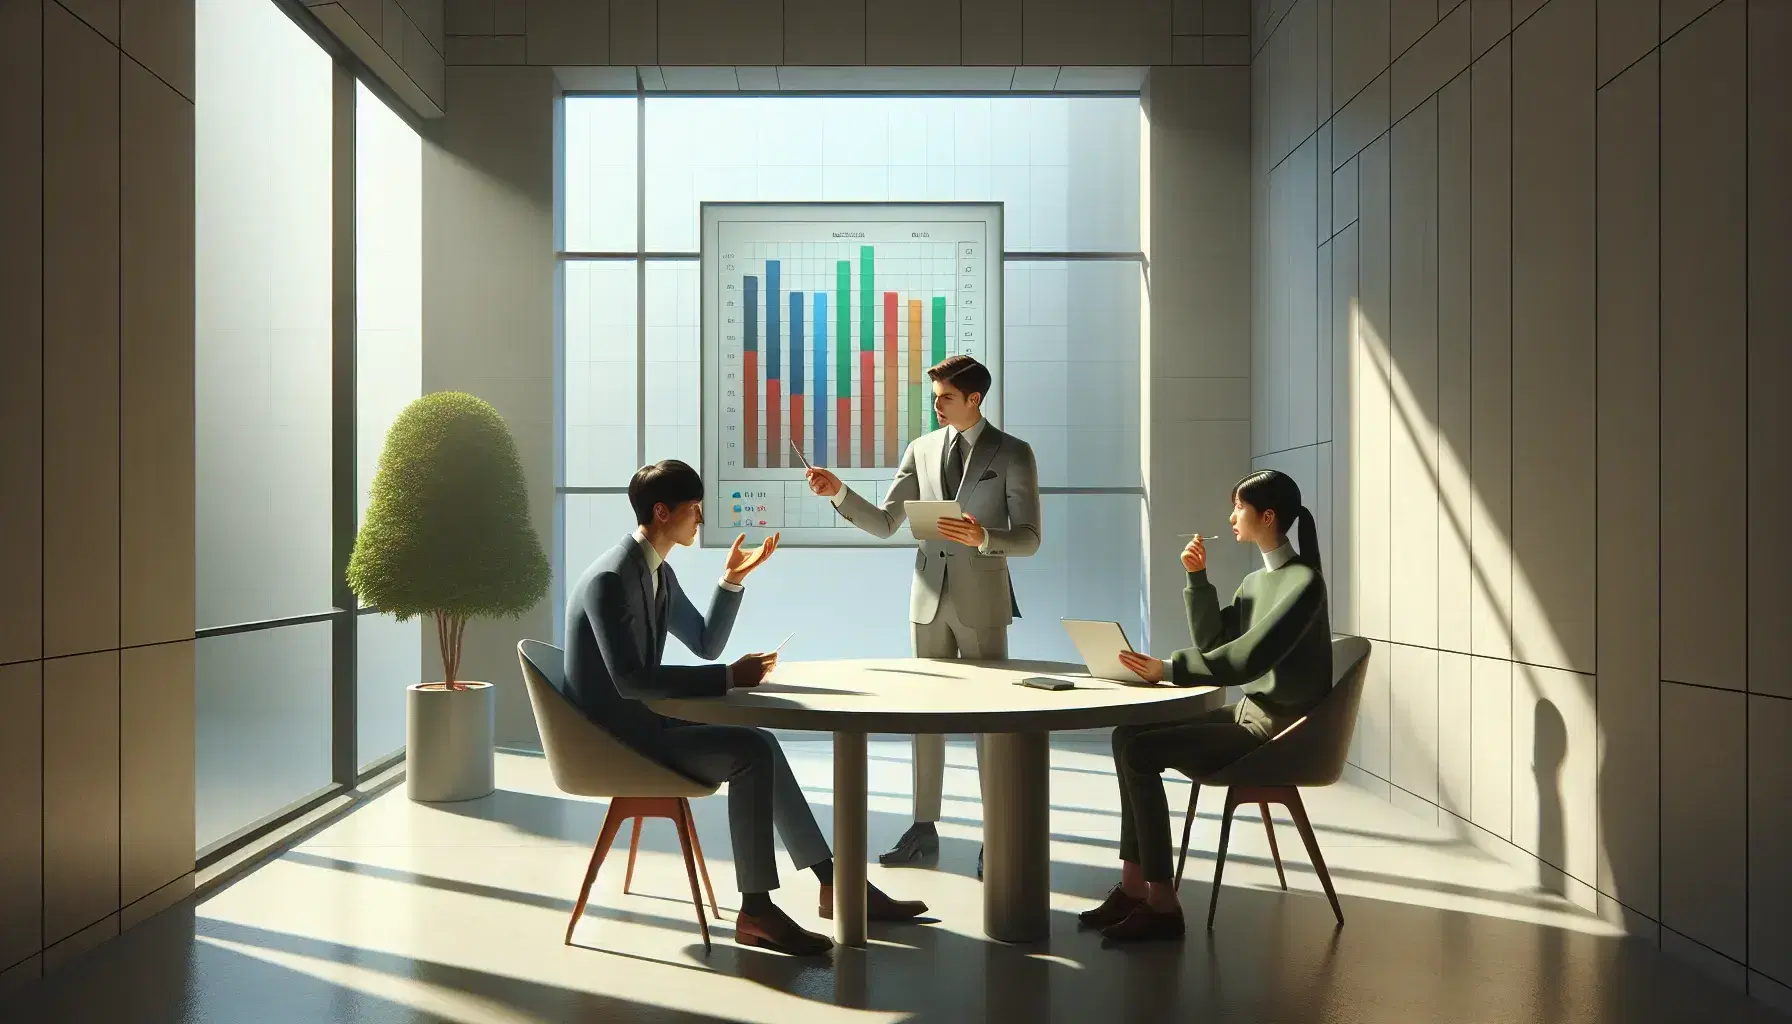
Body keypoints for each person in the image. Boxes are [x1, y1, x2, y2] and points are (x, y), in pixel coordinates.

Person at [563, 459, 927, 957]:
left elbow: (706, 643)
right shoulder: (612, 578)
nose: (702, 519)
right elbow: (629, 681)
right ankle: (760, 910)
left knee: (758, 742)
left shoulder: (655, 572)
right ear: (663, 511)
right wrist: (731, 678)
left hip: (641, 723)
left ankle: (832, 884)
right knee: (751, 750)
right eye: (695, 510)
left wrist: (732, 580)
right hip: (615, 741)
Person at [804, 355, 1041, 873]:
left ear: (974, 399)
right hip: (928, 599)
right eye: (934, 396)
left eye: (944, 397)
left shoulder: (1014, 453)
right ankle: (923, 828)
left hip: (983, 602)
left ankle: (995, 830)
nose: (935, 405)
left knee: (991, 723)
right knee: (924, 721)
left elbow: (1029, 538)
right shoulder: (922, 449)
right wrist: (839, 492)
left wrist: (984, 537)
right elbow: (887, 521)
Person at [1080, 469, 1331, 942]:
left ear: (1268, 515)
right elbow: (1217, 641)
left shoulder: (1304, 585)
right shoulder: (1258, 581)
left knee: (1138, 752)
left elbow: (1246, 658)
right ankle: (1134, 887)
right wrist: (1197, 579)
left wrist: (1169, 669)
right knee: (1125, 737)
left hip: (1276, 734)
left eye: (1238, 507)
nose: (1231, 516)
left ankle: (1162, 903)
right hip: (1249, 716)